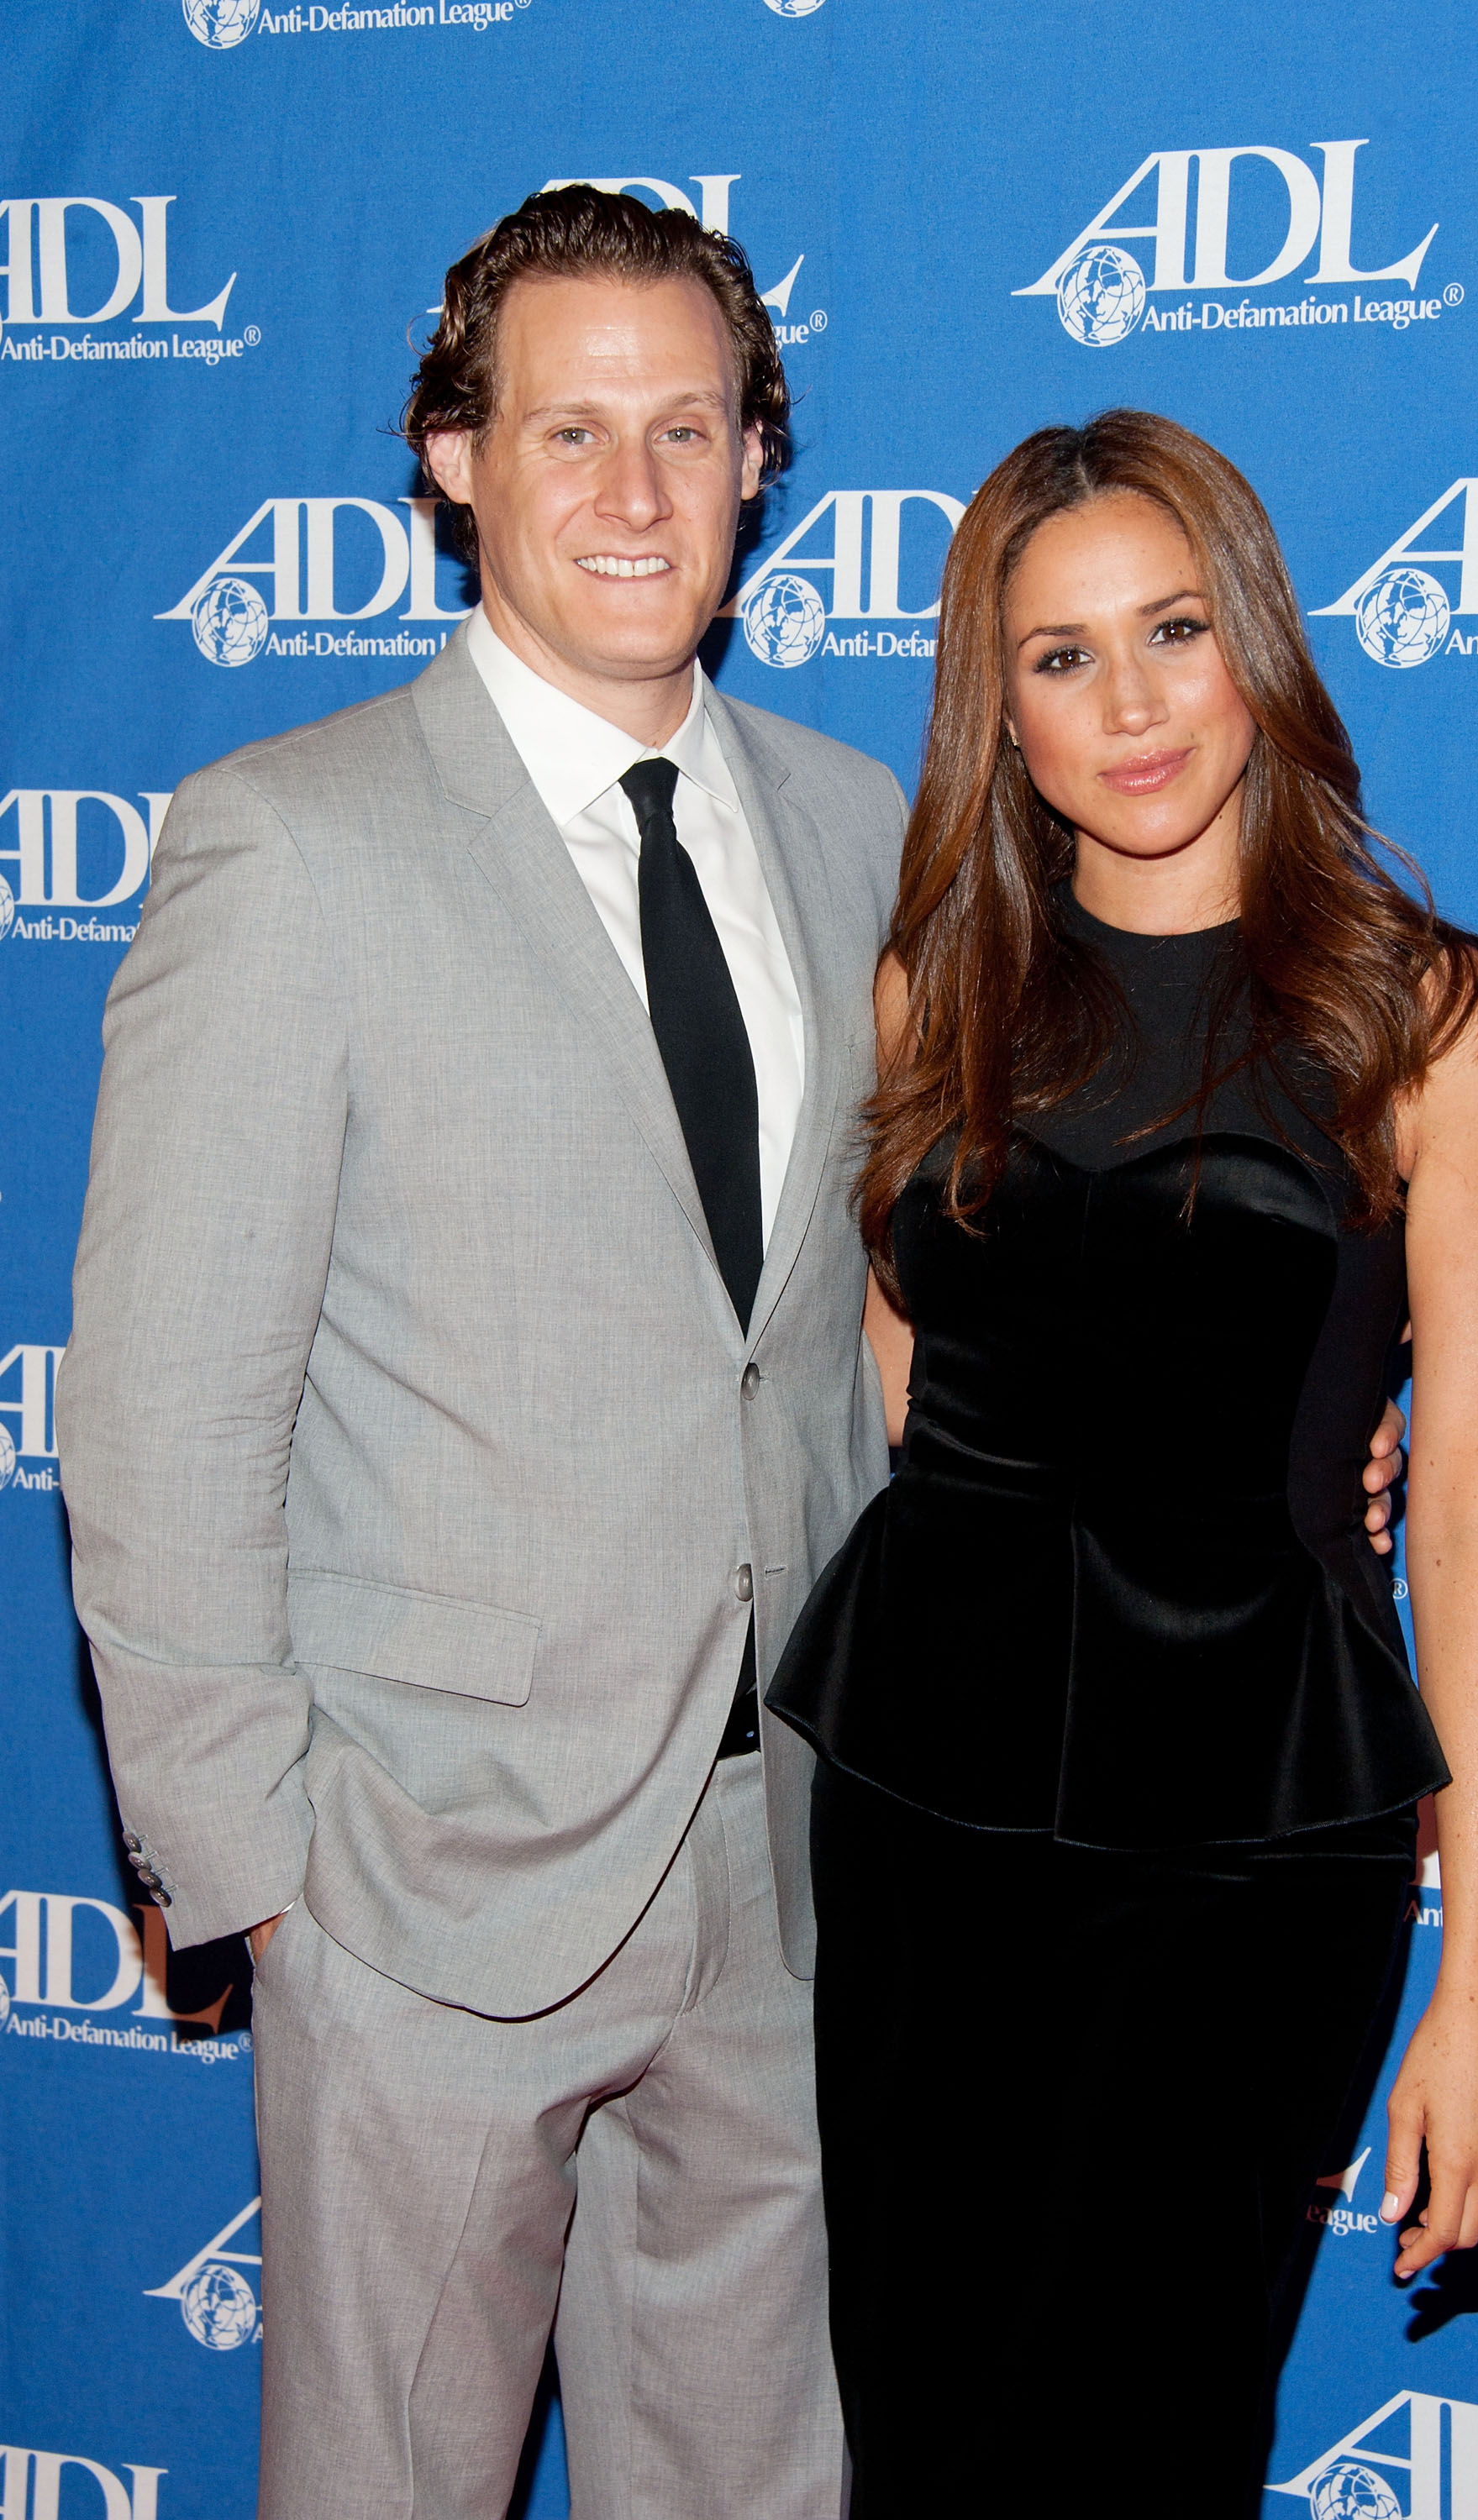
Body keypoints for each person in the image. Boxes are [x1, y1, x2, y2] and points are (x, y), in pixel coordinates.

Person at [56, 204, 1404, 2516]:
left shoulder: (860, 831)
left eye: (686, 429)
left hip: (809, 1865)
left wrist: (1274, 1451)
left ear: (762, 458)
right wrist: (252, 1871)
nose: (633, 492)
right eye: (567, 430)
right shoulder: (288, 843)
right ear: (451, 456)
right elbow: (166, 1404)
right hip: (421, 1880)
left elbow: (944, 1306)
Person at [766, 410, 1478, 2517]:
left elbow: (1468, 1519)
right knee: (920, 2426)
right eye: (1060, 656)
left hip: (1249, 1837)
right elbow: (899, 1374)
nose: (1126, 705)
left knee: (1148, 2435)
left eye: (1172, 630)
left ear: (1256, 648)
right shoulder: (934, 992)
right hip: (923, 1804)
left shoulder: (1437, 1026)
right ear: (1000, 711)